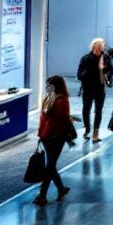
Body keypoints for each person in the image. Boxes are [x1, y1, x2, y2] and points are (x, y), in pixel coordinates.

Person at [33, 75, 74, 205]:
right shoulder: (48, 100)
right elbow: (43, 120)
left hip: (55, 137)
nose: (46, 87)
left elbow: (60, 121)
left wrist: (44, 134)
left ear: (55, 86)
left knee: (50, 166)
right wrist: (41, 135)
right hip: (48, 136)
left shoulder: (61, 101)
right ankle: (61, 189)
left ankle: (42, 195)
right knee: (51, 165)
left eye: (48, 85)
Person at [76, 38, 113, 143]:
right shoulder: (85, 59)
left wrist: (105, 72)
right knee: (86, 110)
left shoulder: (105, 58)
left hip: (100, 88)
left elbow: (111, 70)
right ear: (92, 47)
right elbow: (79, 75)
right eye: (96, 47)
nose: (98, 50)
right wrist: (86, 73)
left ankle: (95, 135)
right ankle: (87, 130)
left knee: (98, 111)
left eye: (100, 48)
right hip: (88, 88)